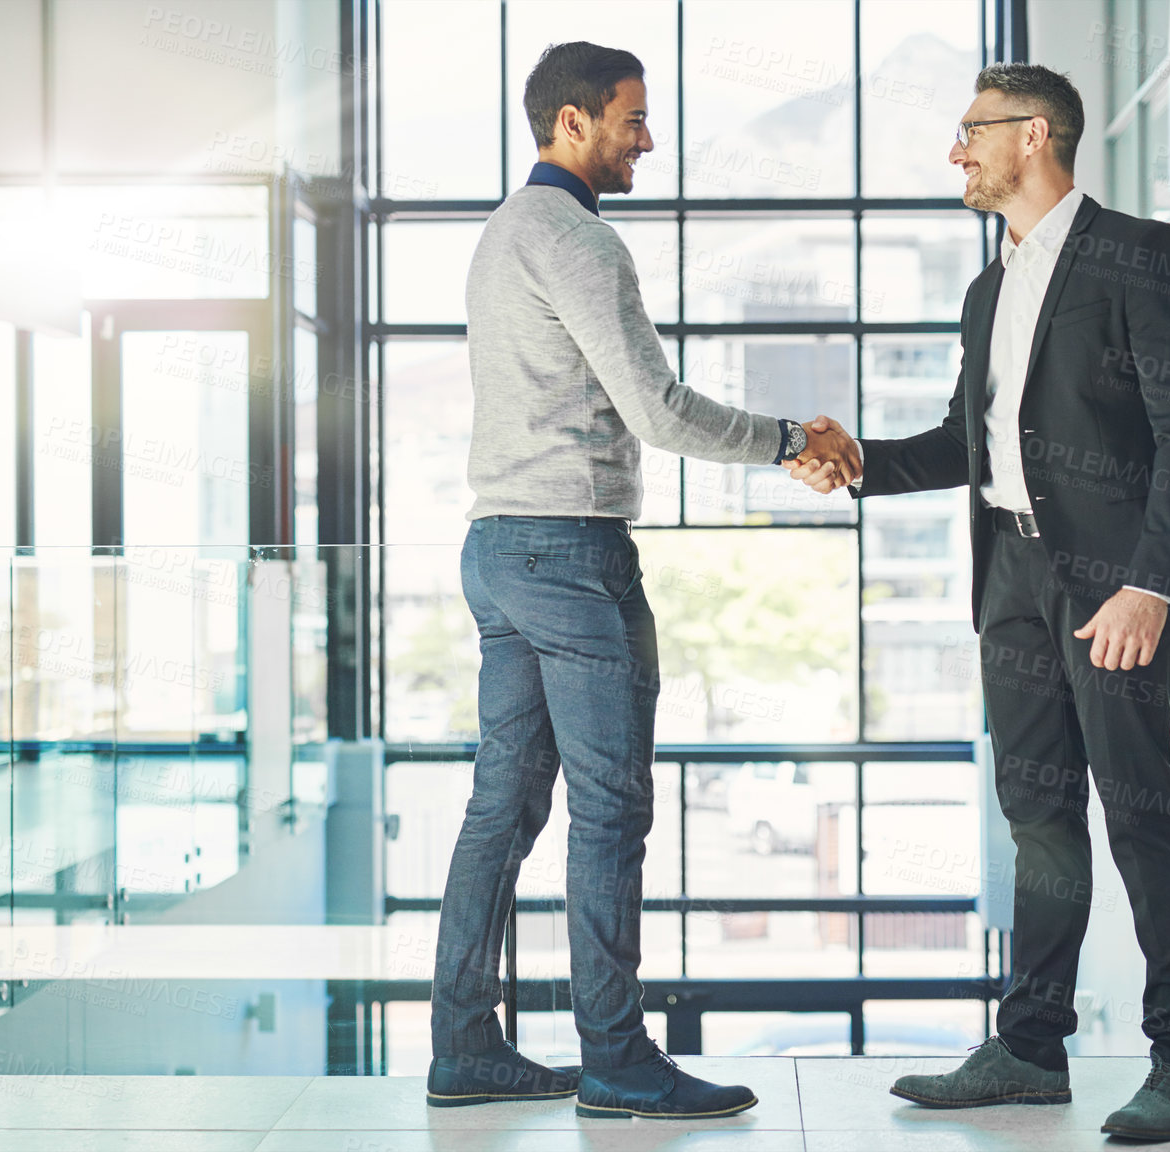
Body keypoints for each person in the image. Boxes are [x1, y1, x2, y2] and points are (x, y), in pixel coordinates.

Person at [789, 62, 1170, 1143]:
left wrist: (1150, 583)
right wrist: (856, 462)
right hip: (1013, 583)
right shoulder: (990, 288)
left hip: (1111, 584)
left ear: (1033, 134)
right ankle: (1029, 1047)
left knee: (1138, 814)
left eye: (968, 133)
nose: (955, 153)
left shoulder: (1140, 252)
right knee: (1036, 821)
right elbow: (964, 443)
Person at [425, 40, 860, 1120]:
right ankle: (616, 1059)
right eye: (631, 119)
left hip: (498, 549)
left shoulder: (500, 234)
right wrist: (783, 438)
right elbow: (656, 410)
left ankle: (464, 1045)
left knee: (501, 809)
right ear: (572, 122)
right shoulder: (575, 238)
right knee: (609, 812)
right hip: (570, 554)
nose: (647, 139)